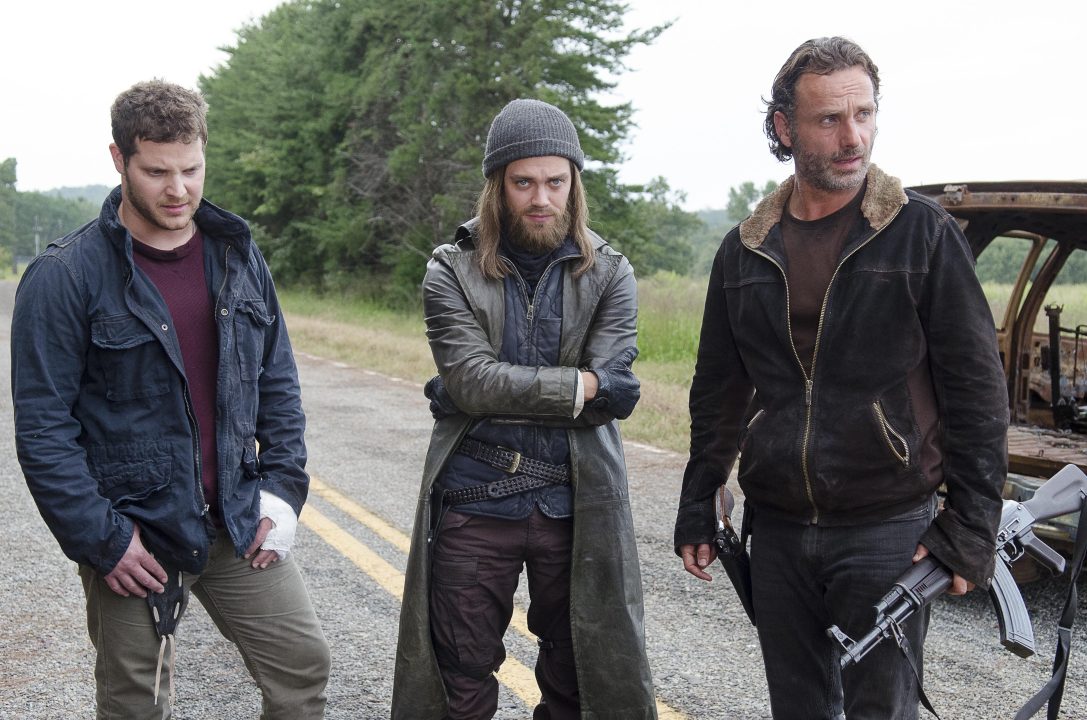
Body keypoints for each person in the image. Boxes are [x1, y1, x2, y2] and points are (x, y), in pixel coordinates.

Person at [673, 37, 1009, 720]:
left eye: (864, 113)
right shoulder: (743, 250)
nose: (852, 137)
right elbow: (718, 391)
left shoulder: (922, 234)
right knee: (797, 709)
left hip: (887, 527)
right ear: (783, 128)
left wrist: (971, 527)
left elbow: (977, 390)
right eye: (829, 119)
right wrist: (698, 497)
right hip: (777, 529)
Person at [10, 80, 330, 719]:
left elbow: (277, 381)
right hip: (138, 533)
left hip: (236, 519)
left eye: (191, 169)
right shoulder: (64, 277)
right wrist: (101, 539)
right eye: (156, 172)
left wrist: (281, 489)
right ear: (118, 159)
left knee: (302, 667)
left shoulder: (237, 255)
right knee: (138, 705)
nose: (178, 189)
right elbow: (44, 429)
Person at [391, 98, 656, 720]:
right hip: (475, 497)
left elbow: (613, 388)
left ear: (574, 183)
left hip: (577, 500)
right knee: (458, 682)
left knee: (582, 680)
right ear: (497, 186)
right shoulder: (451, 269)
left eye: (555, 182)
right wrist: (580, 388)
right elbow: (475, 381)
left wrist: (480, 390)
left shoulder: (611, 273)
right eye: (524, 182)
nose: (541, 198)